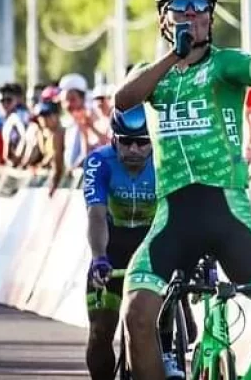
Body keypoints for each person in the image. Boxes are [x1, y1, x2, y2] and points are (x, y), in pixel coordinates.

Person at [114, 0, 251, 380]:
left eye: (199, 5)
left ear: (210, 15)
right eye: (179, 6)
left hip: (228, 216)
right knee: (137, 316)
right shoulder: (154, 74)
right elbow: (124, 98)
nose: (190, 13)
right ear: (165, 20)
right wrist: (174, 57)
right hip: (173, 220)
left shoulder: (224, 66)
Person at [83, 104, 156, 380]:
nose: (134, 150)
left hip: (153, 244)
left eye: (142, 142)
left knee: (160, 326)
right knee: (101, 332)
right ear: (113, 138)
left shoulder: (166, 159)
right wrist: (99, 257)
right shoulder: (99, 161)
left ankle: (178, 310)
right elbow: (96, 215)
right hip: (113, 247)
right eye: (126, 142)